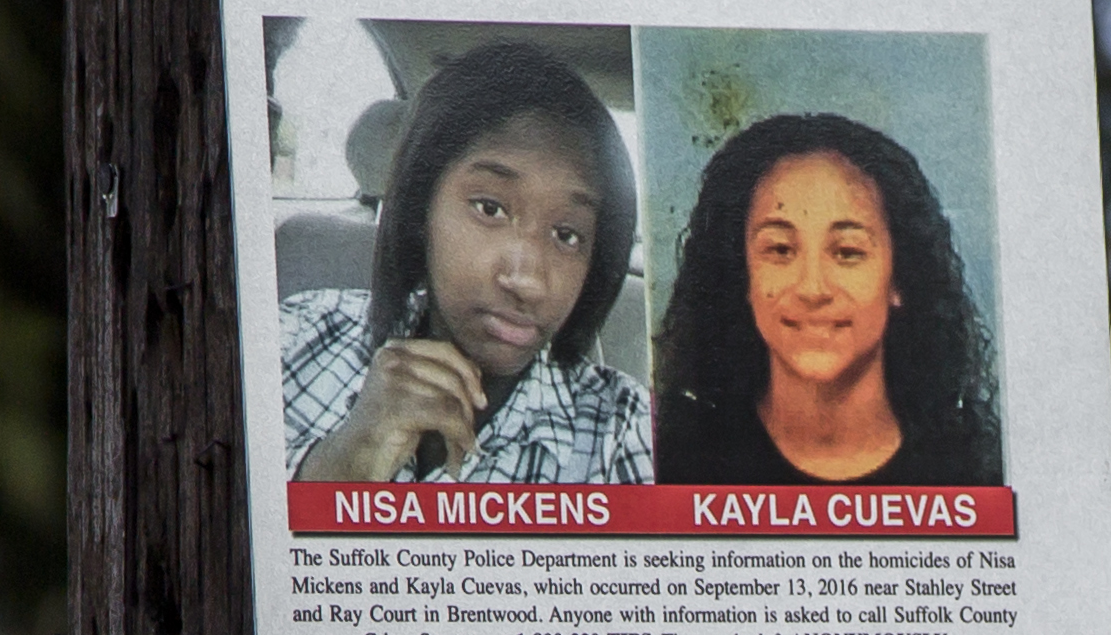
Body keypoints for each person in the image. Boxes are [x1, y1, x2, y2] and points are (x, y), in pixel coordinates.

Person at [283, 41, 651, 485]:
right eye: (490, 209)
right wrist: (336, 469)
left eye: (566, 235)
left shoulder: (624, 433)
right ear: (422, 210)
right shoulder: (299, 334)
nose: (528, 281)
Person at [647, 111, 997, 491]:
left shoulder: (974, 471)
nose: (812, 289)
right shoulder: (673, 461)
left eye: (847, 252)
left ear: (900, 277)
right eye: (780, 249)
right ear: (741, 274)